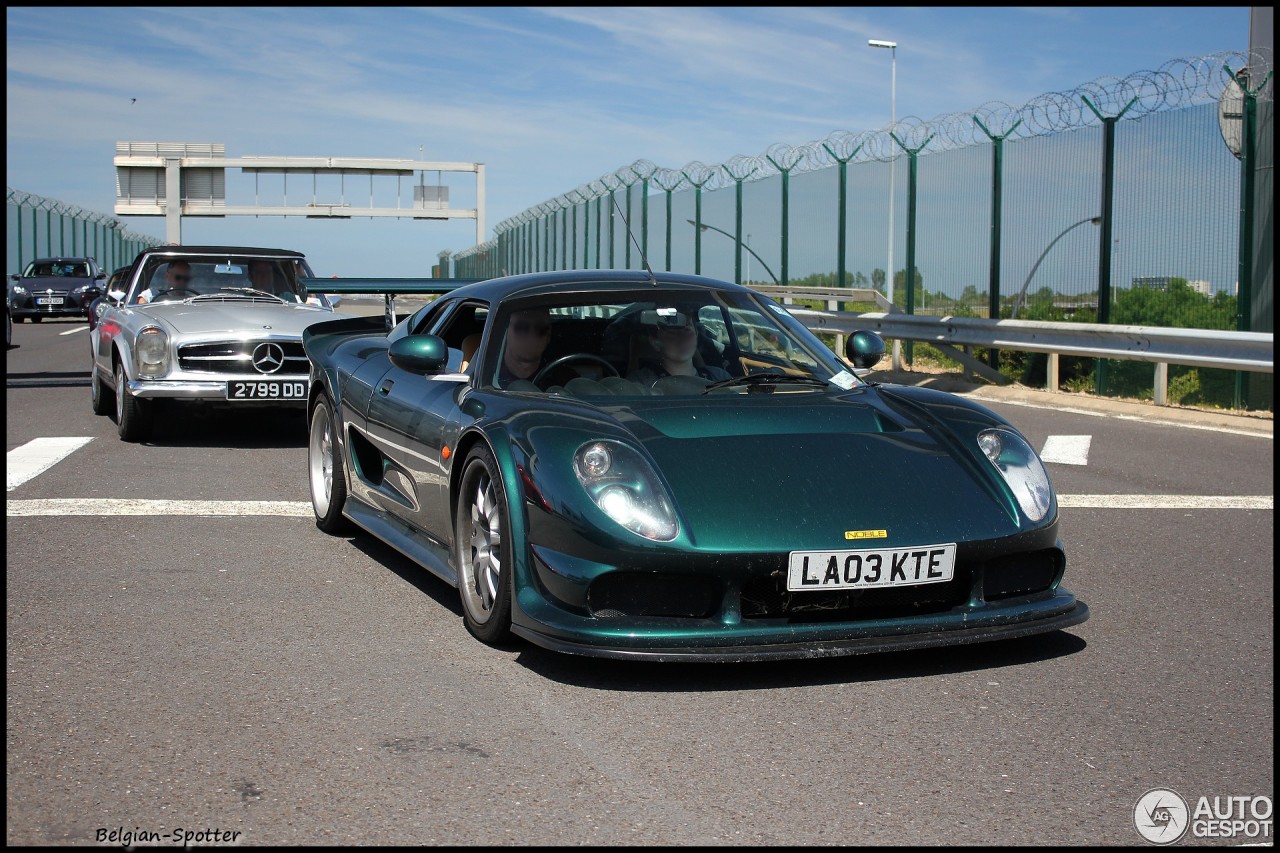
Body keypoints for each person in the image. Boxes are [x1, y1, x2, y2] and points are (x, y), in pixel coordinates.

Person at [627, 309, 731, 387]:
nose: (681, 338)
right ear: (655, 343)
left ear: (696, 335)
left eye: (686, 329)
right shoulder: (641, 382)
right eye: (672, 332)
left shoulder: (719, 377)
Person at [496, 307, 553, 387]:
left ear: (548, 335)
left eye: (540, 329)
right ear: (506, 330)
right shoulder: (486, 372)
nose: (531, 336)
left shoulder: (562, 378)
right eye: (522, 327)